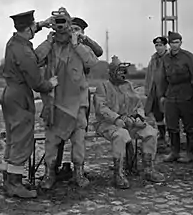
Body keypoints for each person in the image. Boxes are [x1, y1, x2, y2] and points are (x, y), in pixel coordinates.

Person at [36, 8, 99, 189]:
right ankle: (50, 173)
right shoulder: (50, 46)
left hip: (78, 103)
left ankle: (78, 172)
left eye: (64, 22)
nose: (61, 27)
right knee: (51, 141)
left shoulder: (79, 46)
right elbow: (35, 59)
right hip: (55, 103)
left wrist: (76, 44)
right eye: (58, 23)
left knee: (78, 140)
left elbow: (92, 62)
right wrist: (48, 42)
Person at [1, 10, 58, 198]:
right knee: (22, 140)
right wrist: (51, 84)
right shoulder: (25, 52)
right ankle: (15, 185)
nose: (36, 28)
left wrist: (44, 23)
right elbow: (36, 83)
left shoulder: (14, 42)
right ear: (28, 29)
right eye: (34, 26)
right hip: (20, 95)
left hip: (9, 93)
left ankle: (8, 179)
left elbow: (30, 29)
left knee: (12, 138)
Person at [93, 57, 165, 189]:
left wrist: (139, 117)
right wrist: (116, 118)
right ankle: (118, 173)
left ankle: (149, 169)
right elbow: (101, 108)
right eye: (119, 71)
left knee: (150, 133)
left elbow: (138, 105)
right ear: (112, 72)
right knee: (120, 136)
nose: (122, 74)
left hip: (130, 123)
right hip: (107, 124)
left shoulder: (128, 86)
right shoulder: (103, 87)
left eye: (123, 71)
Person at [54, 16, 103, 175]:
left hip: (81, 94)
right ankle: (55, 166)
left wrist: (83, 39)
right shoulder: (62, 46)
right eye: (72, 29)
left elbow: (98, 52)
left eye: (77, 30)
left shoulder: (83, 46)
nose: (73, 32)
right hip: (63, 94)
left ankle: (79, 169)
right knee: (59, 134)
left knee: (80, 132)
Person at [159, 31, 193, 163]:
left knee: (189, 125)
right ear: (169, 44)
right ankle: (174, 152)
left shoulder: (188, 57)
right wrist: (162, 95)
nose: (174, 45)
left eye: (177, 42)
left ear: (181, 43)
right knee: (172, 124)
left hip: (186, 93)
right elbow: (162, 78)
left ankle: (191, 153)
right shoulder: (166, 58)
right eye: (172, 43)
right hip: (171, 94)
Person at [145, 36, 169, 148]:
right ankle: (162, 135)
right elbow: (149, 75)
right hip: (154, 91)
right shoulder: (153, 59)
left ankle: (171, 139)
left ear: (165, 46)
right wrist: (147, 90)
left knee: (168, 114)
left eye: (160, 45)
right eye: (156, 45)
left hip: (165, 91)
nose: (158, 48)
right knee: (157, 114)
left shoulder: (169, 58)